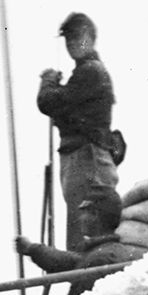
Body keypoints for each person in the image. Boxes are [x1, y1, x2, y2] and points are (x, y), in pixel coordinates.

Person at [36, 13, 123, 253]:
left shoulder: (91, 71)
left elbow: (48, 102)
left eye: (77, 37)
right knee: (82, 227)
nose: (72, 43)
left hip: (87, 157)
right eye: (68, 39)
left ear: (91, 38)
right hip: (80, 156)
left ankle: (84, 283)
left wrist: (48, 82)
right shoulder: (85, 73)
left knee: (87, 229)